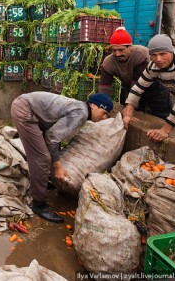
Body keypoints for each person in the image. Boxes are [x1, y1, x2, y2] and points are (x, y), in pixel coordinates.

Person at [10, 92, 113, 222]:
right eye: (104, 113)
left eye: (107, 115)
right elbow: (52, 138)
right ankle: (38, 204)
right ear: (93, 105)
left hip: (28, 107)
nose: (104, 118)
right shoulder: (81, 113)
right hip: (25, 110)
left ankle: (40, 182)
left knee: (45, 153)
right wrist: (58, 166)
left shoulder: (80, 109)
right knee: (42, 158)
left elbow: (55, 135)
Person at [98, 26, 171, 119]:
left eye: (121, 50)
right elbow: (104, 87)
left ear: (131, 47)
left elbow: (137, 84)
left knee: (161, 116)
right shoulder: (109, 62)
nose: (117, 54)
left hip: (153, 87)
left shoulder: (141, 55)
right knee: (130, 113)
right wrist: (102, 107)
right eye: (114, 50)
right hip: (129, 87)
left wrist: (131, 108)